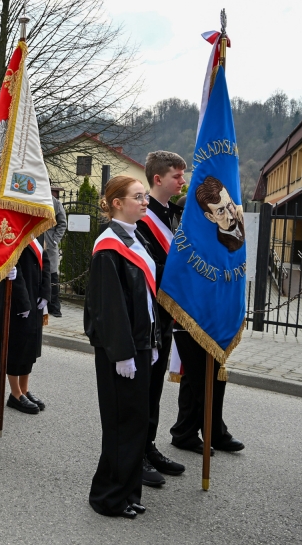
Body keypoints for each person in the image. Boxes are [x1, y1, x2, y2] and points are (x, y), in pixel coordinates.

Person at [85, 176, 159, 520]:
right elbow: (108, 307)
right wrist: (123, 353)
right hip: (121, 350)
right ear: (117, 203)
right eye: (138, 197)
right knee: (120, 424)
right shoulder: (108, 246)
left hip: (139, 343)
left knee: (136, 422)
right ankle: (107, 497)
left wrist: (151, 341)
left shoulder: (135, 236)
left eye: (145, 197)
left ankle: (128, 492)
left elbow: (144, 297)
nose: (145, 202)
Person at [168, 195, 246, 458]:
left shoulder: (213, 239)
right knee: (201, 378)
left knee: (206, 377)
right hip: (189, 316)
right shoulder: (182, 238)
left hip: (213, 317)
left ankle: (190, 431)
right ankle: (206, 431)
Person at [134, 151, 189, 486]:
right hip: (147, 313)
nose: (182, 181)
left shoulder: (174, 214)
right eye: (176, 176)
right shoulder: (142, 217)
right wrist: (182, 274)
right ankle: (136, 454)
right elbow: (145, 266)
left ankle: (149, 445)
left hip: (165, 314)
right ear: (158, 179)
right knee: (142, 387)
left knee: (155, 386)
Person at [0, 233, 51, 415]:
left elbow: (45, 261)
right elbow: (12, 266)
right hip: (16, 298)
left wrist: (46, 292)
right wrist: (23, 301)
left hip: (34, 295)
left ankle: (24, 389)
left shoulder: (37, 232)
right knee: (15, 346)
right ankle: (15, 393)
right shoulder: (13, 231)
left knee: (29, 346)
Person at [43, 191, 67, 316]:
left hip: (49, 245)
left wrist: (54, 240)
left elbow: (62, 223)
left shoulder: (56, 203)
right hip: (35, 242)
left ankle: (53, 306)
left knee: (52, 275)